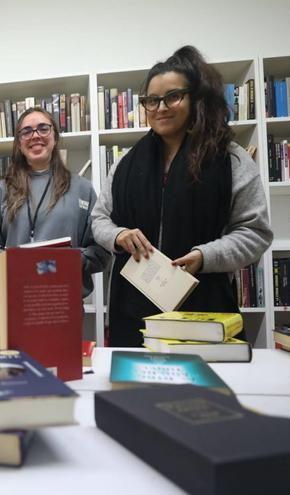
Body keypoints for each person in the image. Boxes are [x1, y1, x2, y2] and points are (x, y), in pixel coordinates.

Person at [91, 46, 273, 347]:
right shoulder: (127, 163)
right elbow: (99, 218)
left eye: (172, 97)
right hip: (132, 313)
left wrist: (206, 256)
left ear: (196, 99)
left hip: (203, 311)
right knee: (135, 391)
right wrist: (118, 234)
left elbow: (255, 232)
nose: (160, 107)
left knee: (202, 392)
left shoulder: (230, 158)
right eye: (151, 100)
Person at [0, 107, 108, 297]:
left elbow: (100, 251)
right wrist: (20, 265)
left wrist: (66, 262)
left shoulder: (83, 189)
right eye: (26, 131)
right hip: (13, 300)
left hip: (63, 303)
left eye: (43, 128)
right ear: (19, 143)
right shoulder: (0, 190)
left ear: (55, 136)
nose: (35, 135)